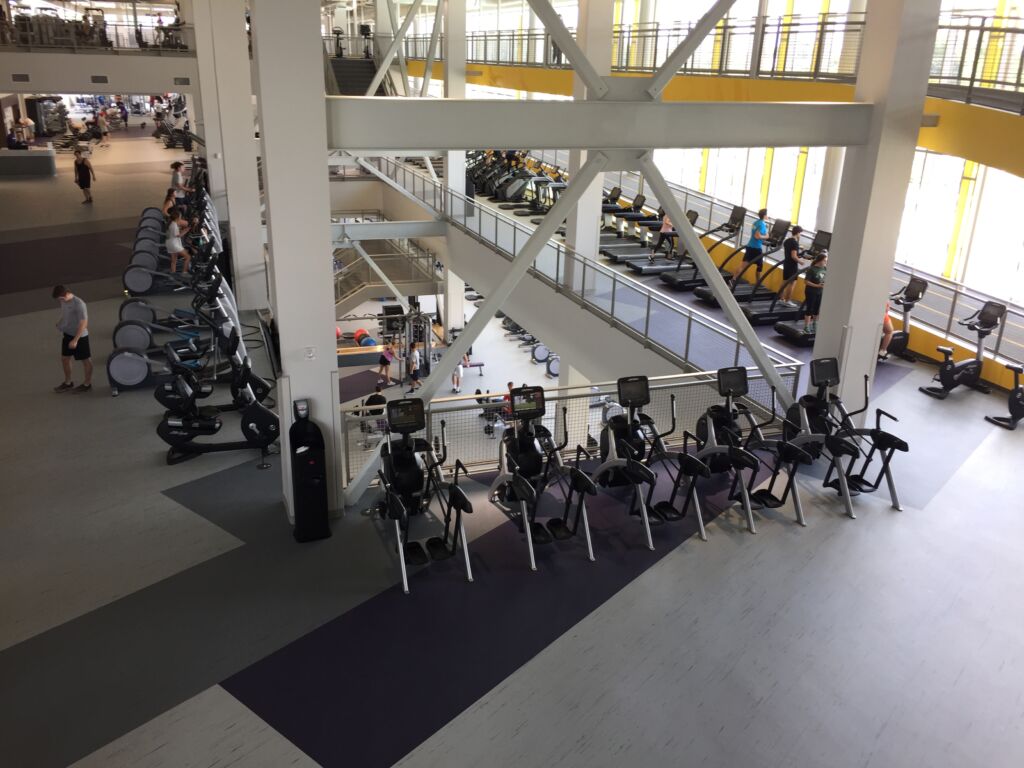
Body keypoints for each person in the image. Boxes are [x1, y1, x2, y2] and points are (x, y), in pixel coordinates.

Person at [52, 286, 93, 393]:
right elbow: (66, 314)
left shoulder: (79, 304)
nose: (60, 301)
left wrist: (75, 340)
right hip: (67, 334)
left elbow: (84, 323)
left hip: (80, 336)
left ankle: (87, 384)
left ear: (66, 295)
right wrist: (60, 322)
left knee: (86, 360)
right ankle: (68, 383)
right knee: (65, 358)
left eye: (60, 299)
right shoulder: (64, 301)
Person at [732, 208, 768, 284]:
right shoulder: (762, 224)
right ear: (764, 216)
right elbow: (757, 236)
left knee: (742, 265)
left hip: (750, 246)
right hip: (756, 248)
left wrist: (764, 234)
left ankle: (733, 279)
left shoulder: (756, 222)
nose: (767, 216)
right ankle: (758, 283)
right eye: (767, 215)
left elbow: (755, 234)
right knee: (760, 266)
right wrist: (766, 236)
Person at [801, 251, 827, 335]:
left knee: (817, 309)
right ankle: (806, 327)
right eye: (824, 261)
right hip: (811, 291)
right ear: (820, 260)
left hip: (820, 292)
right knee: (810, 309)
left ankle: (814, 324)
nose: (825, 262)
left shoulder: (825, 268)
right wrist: (817, 285)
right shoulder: (811, 269)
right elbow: (806, 282)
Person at [778, 225, 804, 303]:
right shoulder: (794, 243)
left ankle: (781, 298)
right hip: (792, 265)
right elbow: (793, 256)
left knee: (784, 282)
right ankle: (787, 301)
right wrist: (801, 262)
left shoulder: (787, 241)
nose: (800, 235)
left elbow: (790, 253)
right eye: (800, 234)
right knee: (792, 283)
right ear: (798, 233)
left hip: (786, 263)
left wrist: (798, 249)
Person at [164, 207, 192, 273]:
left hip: (170, 244)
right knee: (188, 257)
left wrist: (185, 230)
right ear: (177, 218)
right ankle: (184, 272)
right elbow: (179, 235)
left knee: (174, 261)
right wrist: (186, 230)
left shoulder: (172, 223)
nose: (181, 218)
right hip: (174, 245)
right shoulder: (174, 225)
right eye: (180, 216)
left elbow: (177, 234)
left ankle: (173, 274)